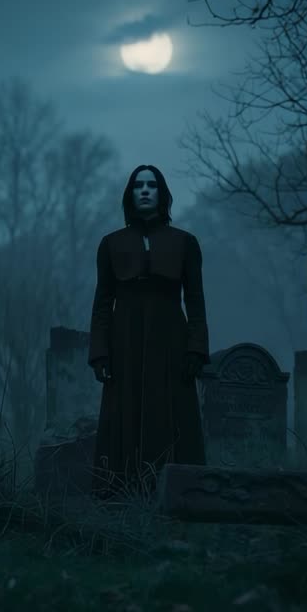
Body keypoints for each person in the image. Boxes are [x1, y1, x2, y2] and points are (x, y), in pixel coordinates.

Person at [88, 164, 209, 498]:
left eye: (151, 185)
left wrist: (196, 348)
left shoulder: (185, 243)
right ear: (130, 194)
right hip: (124, 338)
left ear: (161, 193)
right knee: (123, 412)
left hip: (171, 337)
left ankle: (181, 495)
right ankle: (122, 495)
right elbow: (102, 301)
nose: (144, 190)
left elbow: (195, 300)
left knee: (172, 413)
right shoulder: (111, 244)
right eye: (138, 185)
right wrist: (99, 351)